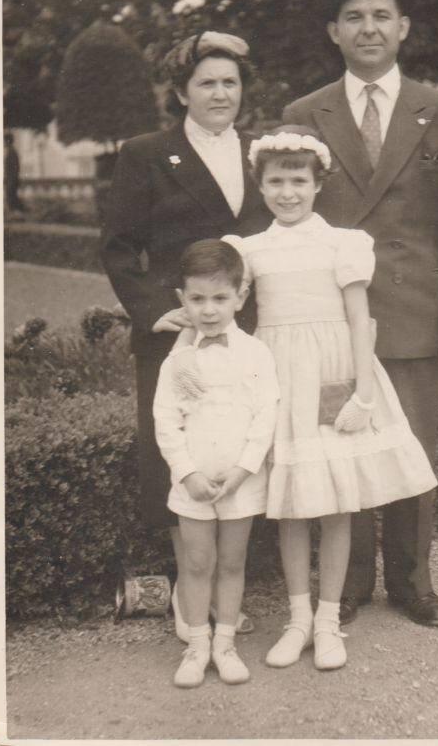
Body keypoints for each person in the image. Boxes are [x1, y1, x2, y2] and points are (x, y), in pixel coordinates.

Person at [282, 0, 438, 628]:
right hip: (331, 316)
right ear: (333, 32)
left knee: (413, 452)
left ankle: (410, 581)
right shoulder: (304, 113)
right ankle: (344, 585)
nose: (367, 28)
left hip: (413, 312)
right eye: (353, 18)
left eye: (380, 16)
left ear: (402, 28)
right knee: (338, 446)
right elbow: (289, 213)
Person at [223, 125, 437, 671]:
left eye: (298, 180)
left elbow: (358, 320)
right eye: (276, 181)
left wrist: (364, 393)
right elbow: (222, 309)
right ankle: (297, 621)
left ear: (318, 185)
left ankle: (327, 620)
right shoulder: (250, 250)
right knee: (292, 504)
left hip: (334, 374)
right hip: (281, 380)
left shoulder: (342, 243)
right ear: (261, 186)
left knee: (339, 501)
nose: (287, 192)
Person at [101, 31, 272, 641]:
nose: (220, 93)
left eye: (230, 82)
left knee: (242, 448)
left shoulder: (262, 151)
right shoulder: (148, 152)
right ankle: (188, 595)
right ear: (181, 92)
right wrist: (153, 311)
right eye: (207, 82)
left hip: (249, 333)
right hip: (177, 335)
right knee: (183, 456)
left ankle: (228, 594)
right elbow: (120, 248)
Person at [153, 239, 279, 687]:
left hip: (239, 482)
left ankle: (225, 644)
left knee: (232, 561)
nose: (209, 310)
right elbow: (166, 421)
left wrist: (244, 469)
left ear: (240, 298)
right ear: (182, 300)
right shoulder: (180, 361)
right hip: (193, 484)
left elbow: (266, 416)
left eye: (220, 298)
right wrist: (187, 474)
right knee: (196, 563)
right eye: (198, 299)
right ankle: (197, 646)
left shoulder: (257, 354)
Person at [4, 131, 25, 213]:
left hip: (12, 180)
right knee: (11, 198)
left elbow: (15, 168)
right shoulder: (10, 152)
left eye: (5, 141)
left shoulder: (12, 152)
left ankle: (20, 213)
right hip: (10, 180)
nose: (4, 143)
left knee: (11, 198)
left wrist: (11, 181)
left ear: (9, 141)